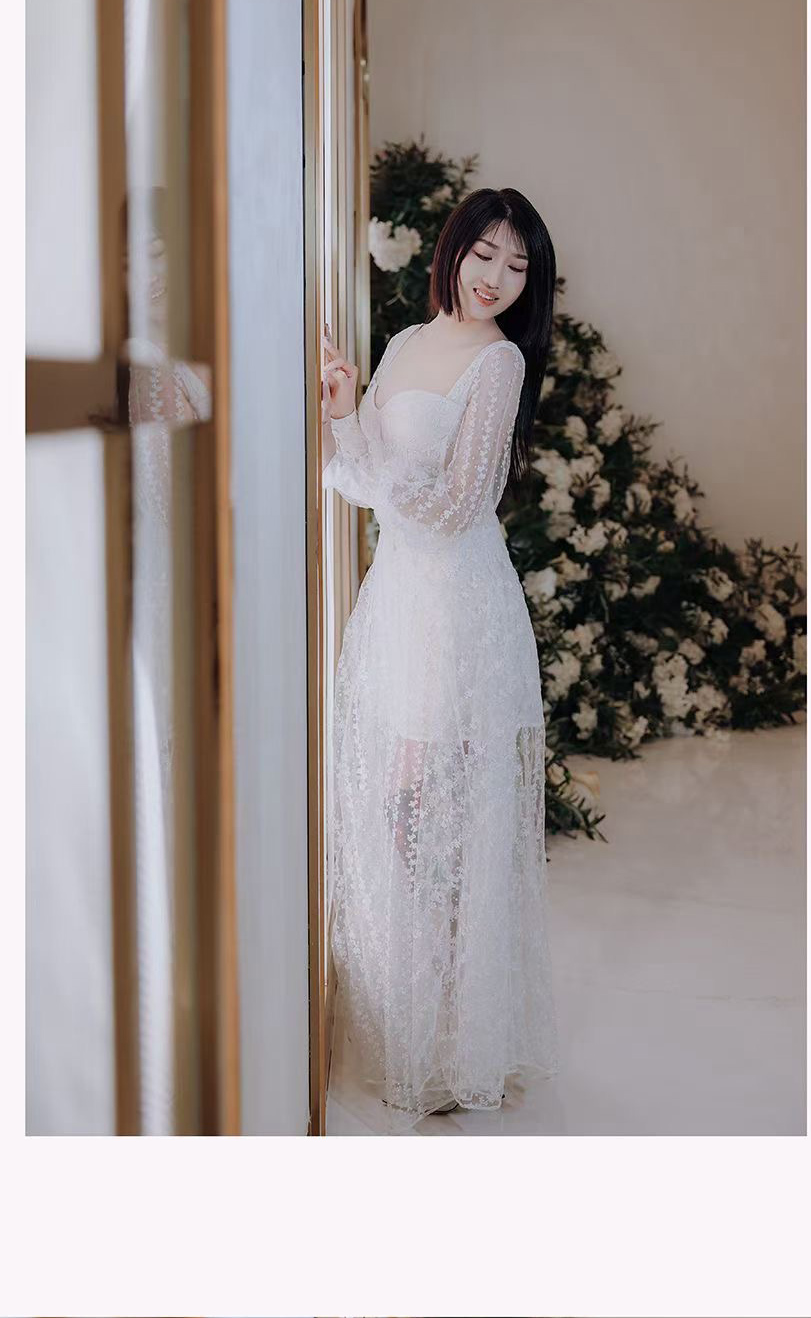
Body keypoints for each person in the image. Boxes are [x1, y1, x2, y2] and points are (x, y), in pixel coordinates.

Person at [321, 186, 559, 1127]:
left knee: (436, 815)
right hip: (398, 600)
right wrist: (345, 409)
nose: (497, 278)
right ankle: (414, 1023)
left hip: (458, 604)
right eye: (486, 254)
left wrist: (374, 466)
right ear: (454, 249)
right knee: (401, 807)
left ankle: (460, 1037)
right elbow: (356, 477)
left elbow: (460, 507)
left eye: (518, 266)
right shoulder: (404, 344)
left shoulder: (498, 362)